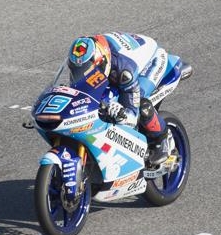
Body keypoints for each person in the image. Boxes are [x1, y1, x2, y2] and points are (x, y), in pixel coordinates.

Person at [67, 32, 187, 165]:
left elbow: (131, 115)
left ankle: (162, 141)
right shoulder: (82, 57)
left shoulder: (123, 69)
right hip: (124, 54)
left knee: (141, 102)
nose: (82, 75)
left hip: (152, 62)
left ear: (102, 63)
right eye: (78, 71)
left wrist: (123, 113)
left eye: (89, 71)